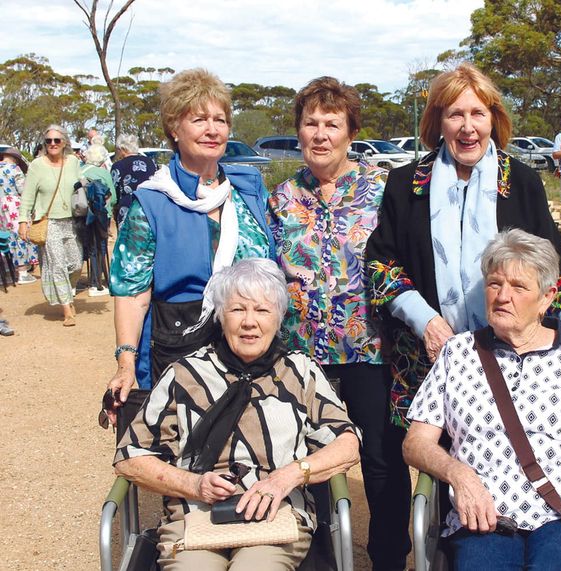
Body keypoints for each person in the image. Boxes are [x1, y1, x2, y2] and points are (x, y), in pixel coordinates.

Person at [403, 229, 561, 571]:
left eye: (518, 287)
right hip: (484, 518)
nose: (502, 296)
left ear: (547, 298)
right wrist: (458, 474)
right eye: (495, 284)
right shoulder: (459, 353)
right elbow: (415, 443)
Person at [366, 63, 561, 431]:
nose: (468, 127)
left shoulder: (522, 182)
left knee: (512, 460)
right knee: (437, 467)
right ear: (439, 121)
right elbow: (382, 265)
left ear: (493, 119)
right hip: (432, 356)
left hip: (517, 355)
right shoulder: (405, 185)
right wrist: (428, 323)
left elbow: (555, 269)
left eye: (477, 114)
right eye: (456, 114)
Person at [113, 258, 361, 571]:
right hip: (194, 517)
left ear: (278, 317)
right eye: (238, 309)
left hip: (275, 516)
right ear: (220, 315)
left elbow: (348, 443)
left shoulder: (300, 372)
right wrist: (196, 485)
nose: (249, 322)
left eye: (262, 310)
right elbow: (130, 458)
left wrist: (288, 476)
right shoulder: (186, 374)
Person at [268, 76, 409, 570]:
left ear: (351, 132)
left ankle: (390, 556)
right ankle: (322, 555)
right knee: (311, 457)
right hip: (302, 356)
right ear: (299, 131)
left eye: (332, 124)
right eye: (311, 123)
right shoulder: (281, 198)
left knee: (380, 461)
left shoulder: (382, 189)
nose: (320, 134)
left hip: (370, 351)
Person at [106, 68, 276, 421]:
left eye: (220, 119)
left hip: (253, 344)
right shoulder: (151, 202)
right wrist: (125, 362)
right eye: (198, 119)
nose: (213, 130)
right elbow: (132, 292)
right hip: (181, 350)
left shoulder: (248, 187)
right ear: (174, 128)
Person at [18, 125, 82, 326]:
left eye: (57, 140)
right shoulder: (37, 165)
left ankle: (66, 295)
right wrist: (22, 221)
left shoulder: (73, 162)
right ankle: (66, 309)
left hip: (71, 220)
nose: (53, 144)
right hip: (48, 222)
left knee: (76, 263)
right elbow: (28, 196)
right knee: (57, 265)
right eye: (48, 141)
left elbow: (79, 187)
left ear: (65, 142)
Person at [79, 142, 117, 296]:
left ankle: (90, 279)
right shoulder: (104, 173)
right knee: (100, 246)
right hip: (101, 215)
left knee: (87, 245)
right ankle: (97, 282)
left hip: (82, 214)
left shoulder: (79, 171)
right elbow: (113, 197)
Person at [0, 147, 38, 284]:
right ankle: (22, 272)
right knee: (19, 235)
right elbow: (23, 189)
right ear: (15, 158)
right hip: (13, 206)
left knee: (3, 238)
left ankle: (6, 272)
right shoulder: (14, 169)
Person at [110, 134, 157, 228]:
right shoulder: (150, 162)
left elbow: (114, 193)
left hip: (127, 209)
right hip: (149, 207)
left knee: (126, 240)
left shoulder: (118, 166)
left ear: (123, 149)